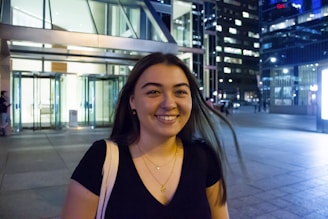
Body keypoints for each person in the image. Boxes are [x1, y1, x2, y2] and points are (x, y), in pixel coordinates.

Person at [61, 52, 242, 219]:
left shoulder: (204, 157)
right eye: (153, 92)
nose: (169, 103)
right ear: (133, 101)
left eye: (180, 92)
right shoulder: (101, 159)